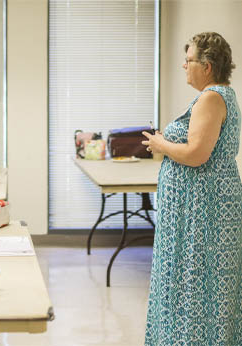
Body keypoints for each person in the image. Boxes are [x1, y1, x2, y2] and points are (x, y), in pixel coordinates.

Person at [142, 32, 241, 345]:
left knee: (194, 285)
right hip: (197, 206)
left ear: (207, 66)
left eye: (189, 60)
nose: (183, 66)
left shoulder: (212, 98)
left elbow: (197, 155)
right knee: (196, 285)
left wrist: (161, 143)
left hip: (202, 211)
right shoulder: (217, 95)